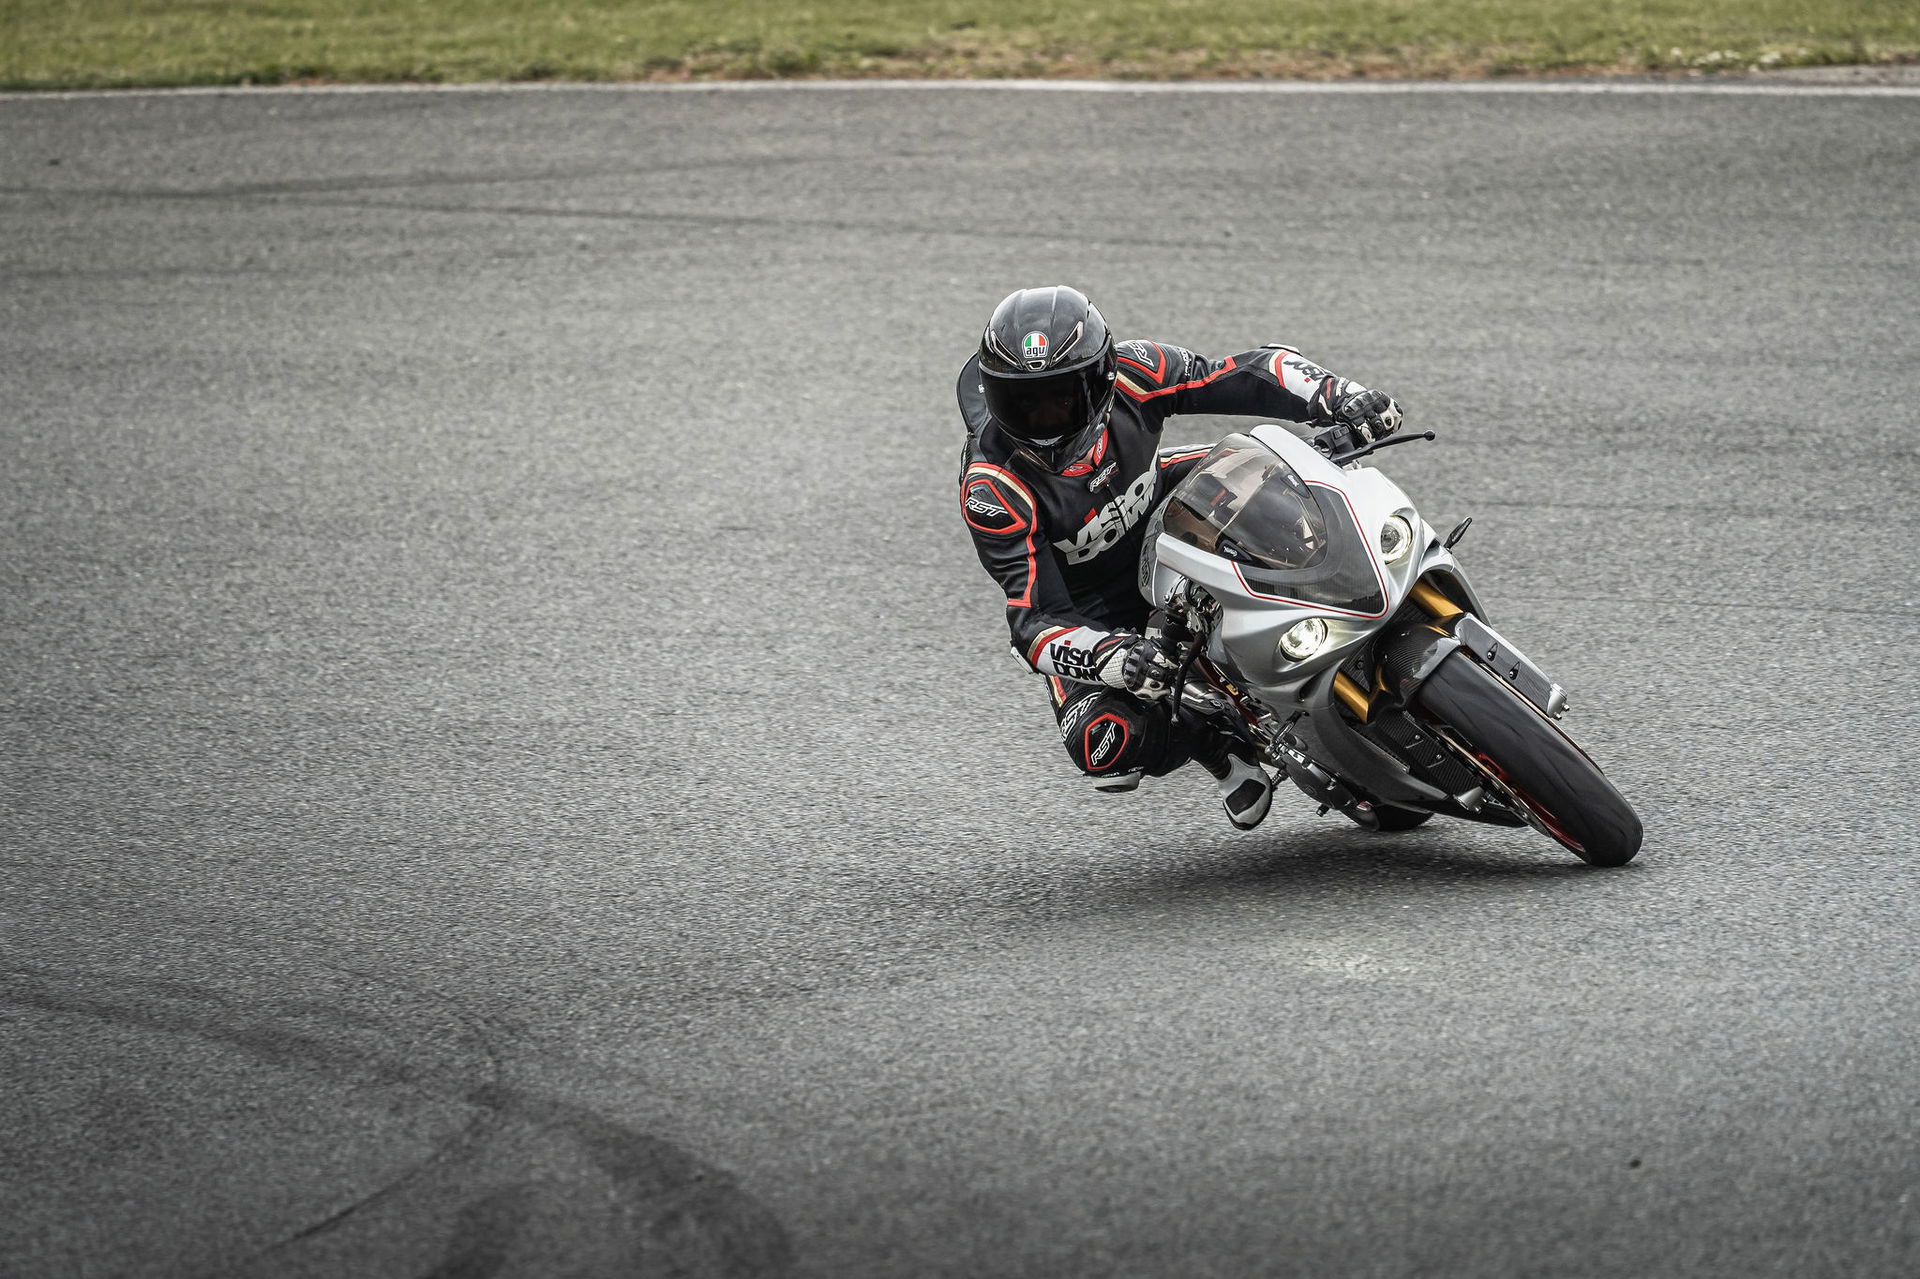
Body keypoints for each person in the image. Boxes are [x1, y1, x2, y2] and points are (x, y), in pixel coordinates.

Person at [956, 285, 1404, 830]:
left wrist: (1338, 397)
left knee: (1283, 462)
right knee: (1104, 748)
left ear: (1101, 379)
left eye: (1060, 398)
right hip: (1091, 609)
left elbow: (1247, 371)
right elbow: (1032, 622)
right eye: (1021, 404)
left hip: (1168, 502)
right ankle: (1216, 748)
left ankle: (1370, 582)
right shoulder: (992, 487)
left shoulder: (1137, 370)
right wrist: (1109, 659)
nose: (1044, 420)